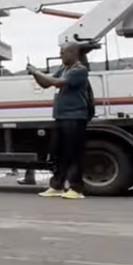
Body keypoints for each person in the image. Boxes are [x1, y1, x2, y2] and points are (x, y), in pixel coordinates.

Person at [28, 42, 93, 199]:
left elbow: (57, 83)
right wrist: (35, 74)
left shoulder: (79, 70)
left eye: (62, 52)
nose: (60, 55)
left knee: (73, 153)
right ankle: (57, 186)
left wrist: (37, 71)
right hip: (62, 116)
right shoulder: (64, 69)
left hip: (75, 117)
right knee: (59, 154)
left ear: (72, 53)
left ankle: (76, 189)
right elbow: (46, 84)